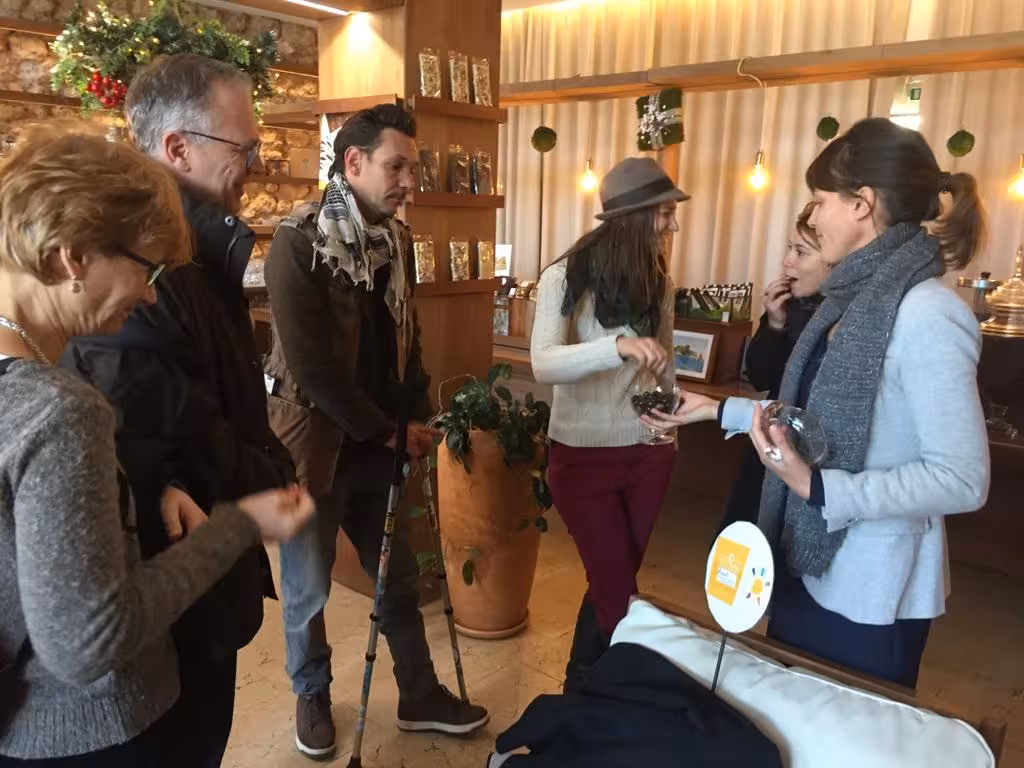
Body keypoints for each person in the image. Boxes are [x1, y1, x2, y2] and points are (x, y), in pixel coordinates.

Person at [0, 123, 313, 766]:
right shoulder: (60, 410)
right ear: (74, 257)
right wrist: (238, 525)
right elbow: (89, 640)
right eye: (146, 269)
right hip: (91, 732)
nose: (149, 294)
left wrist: (149, 484)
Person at [645, 118, 990, 688]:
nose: (815, 216)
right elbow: (807, 423)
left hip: (871, 589)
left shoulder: (929, 312)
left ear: (861, 204)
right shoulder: (846, 301)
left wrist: (821, 488)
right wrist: (714, 410)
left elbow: (962, 479)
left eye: (821, 201)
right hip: (801, 559)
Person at [63, 54, 296, 767]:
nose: (255, 164)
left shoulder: (199, 245)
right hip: (174, 586)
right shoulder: (147, 256)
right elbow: (164, 424)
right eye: (243, 147)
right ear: (177, 148)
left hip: (202, 568)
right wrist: (265, 480)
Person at [264, 104, 489, 760]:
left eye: (412, 168)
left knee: (397, 577)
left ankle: (418, 694)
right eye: (397, 167)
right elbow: (313, 371)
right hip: (311, 446)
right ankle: (312, 694)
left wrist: (414, 415)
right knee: (307, 585)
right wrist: (389, 430)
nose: (409, 182)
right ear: (354, 162)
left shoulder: (396, 240)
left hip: (379, 443)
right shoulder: (298, 241)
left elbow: (406, 340)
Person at [530, 157, 689, 693]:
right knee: (618, 592)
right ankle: (606, 694)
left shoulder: (659, 280)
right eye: (664, 213)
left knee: (611, 582)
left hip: (649, 452)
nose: (672, 225)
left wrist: (670, 417)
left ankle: (583, 689)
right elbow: (543, 363)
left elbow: (665, 362)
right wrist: (616, 346)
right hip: (581, 457)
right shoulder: (564, 276)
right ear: (633, 216)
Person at [717, 203, 827, 537]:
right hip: (772, 435)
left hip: (812, 455)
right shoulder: (790, 305)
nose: (787, 262)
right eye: (789, 249)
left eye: (801, 252)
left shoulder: (841, 319)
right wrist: (775, 325)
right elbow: (761, 377)